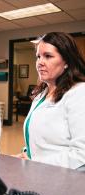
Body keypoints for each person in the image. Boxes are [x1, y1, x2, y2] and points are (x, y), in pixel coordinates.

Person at [18, 32, 85, 169]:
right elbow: (42, 141)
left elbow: (81, 153)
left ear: (66, 61)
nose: (40, 62)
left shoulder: (79, 93)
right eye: (38, 57)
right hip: (39, 173)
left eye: (48, 56)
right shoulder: (41, 95)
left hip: (66, 181)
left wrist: (36, 162)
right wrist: (27, 153)